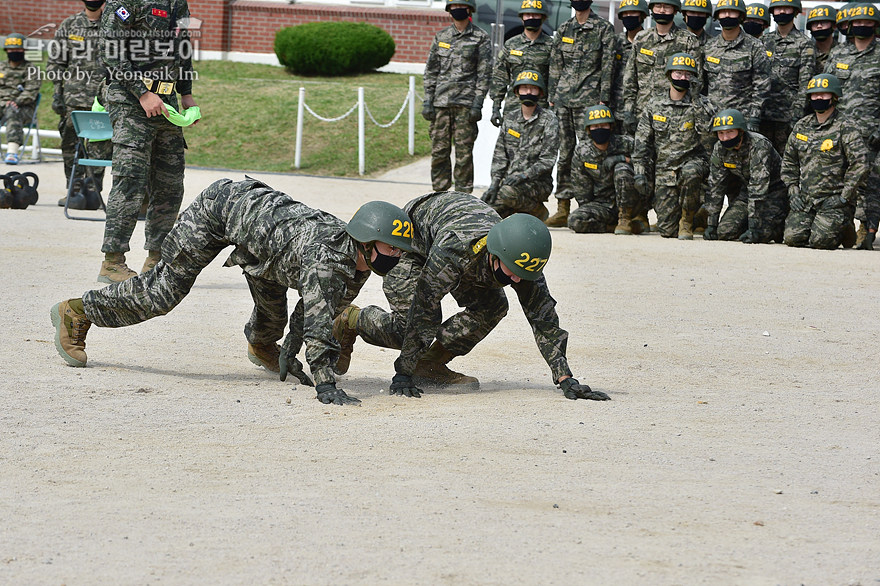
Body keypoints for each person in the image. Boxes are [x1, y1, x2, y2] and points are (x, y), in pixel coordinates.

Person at [50, 178, 414, 406]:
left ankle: (262, 346)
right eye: (392, 248)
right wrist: (325, 385)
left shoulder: (358, 260)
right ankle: (79, 310)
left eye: (399, 250)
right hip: (221, 209)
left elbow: (316, 305)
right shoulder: (328, 259)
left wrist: (289, 346)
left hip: (269, 246)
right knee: (163, 292)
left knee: (273, 314)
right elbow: (320, 325)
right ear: (366, 242)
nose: (396, 256)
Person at [332, 191, 610, 402]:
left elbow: (543, 317)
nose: (515, 280)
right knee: (409, 327)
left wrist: (565, 377)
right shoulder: (455, 249)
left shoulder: (523, 259)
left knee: (493, 305)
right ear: (495, 254)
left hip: (465, 250)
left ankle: (430, 365)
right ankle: (352, 319)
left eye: (520, 276)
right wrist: (403, 370)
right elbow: (424, 307)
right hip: (409, 247)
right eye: (510, 272)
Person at [98, 0, 199, 283]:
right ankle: (113, 261)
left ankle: (158, 257)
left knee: (169, 182)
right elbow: (111, 51)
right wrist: (142, 93)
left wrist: (186, 92)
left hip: (166, 101)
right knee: (130, 180)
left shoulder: (177, 3)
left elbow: (183, 45)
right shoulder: (124, 2)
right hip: (130, 100)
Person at [544, 0, 617, 228]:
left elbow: (607, 66)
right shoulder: (565, 28)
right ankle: (563, 206)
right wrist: (553, 95)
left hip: (590, 103)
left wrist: (603, 99)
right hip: (564, 101)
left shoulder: (603, 28)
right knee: (564, 154)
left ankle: (589, 204)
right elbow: (556, 64)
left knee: (589, 154)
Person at [781, 74, 869, 249]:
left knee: (821, 242)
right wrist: (793, 191)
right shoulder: (801, 126)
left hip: (834, 200)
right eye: (815, 94)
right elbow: (789, 162)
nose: (819, 98)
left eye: (824, 94)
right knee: (792, 238)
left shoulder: (846, 126)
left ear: (834, 97)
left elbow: (860, 164)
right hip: (806, 200)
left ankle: (845, 227)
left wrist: (844, 197)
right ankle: (825, 225)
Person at [633, 53, 715, 239]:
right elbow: (642, 144)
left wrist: (695, 100)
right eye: (679, 73)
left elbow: (709, 137)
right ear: (669, 74)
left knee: (691, 171)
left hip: (693, 166)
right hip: (665, 172)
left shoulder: (704, 103)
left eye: (688, 74)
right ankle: (696, 217)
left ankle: (687, 220)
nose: (683, 78)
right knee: (667, 231)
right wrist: (639, 173)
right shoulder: (655, 105)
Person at [823, 2, 880, 249]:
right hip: (841, 131)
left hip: (872, 132)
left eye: (868, 23)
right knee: (841, 179)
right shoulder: (838, 54)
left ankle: (866, 229)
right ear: (850, 26)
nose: (862, 27)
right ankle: (843, 226)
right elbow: (825, 91)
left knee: (870, 182)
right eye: (858, 23)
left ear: (875, 26)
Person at [47, 0, 113, 206]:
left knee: (100, 146)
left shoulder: (113, 25)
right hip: (73, 99)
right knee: (69, 144)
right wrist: (57, 94)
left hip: (103, 99)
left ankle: (93, 191)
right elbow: (56, 63)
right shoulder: (69, 24)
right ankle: (74, 190)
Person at [422, 0, 491, 194]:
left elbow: (484, 73)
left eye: (461, 6)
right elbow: (431, 71)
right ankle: (439, 196)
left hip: (466, 106)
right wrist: (428, 100)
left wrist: (477, 103)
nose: (457, 10)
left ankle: (462, 199)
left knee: (464, 155)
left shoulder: (480, 37)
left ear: (469, 9)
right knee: (439, 153)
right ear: (449, 11)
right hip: (441, 105)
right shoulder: (441, 37)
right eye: (453, 7)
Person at [482, 70, 559, 220]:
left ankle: (537, 210)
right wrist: (494, 185)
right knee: (487, 209)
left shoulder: (549, 120)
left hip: (537, 183)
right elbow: (500, 157)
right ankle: (518, 211)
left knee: (507, 193)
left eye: (533, 88)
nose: (528, 92)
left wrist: (524, 176)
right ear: (517, 92)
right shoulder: (510, 119)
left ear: (540, 93)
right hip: (509, 183)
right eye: (524, 88)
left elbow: (547, 160)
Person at [704, 108, 788, 242]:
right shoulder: (719, 148)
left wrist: (754, 226)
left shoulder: (759, 145)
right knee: (724, 232)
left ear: (741, 131)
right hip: (747, 192)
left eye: (730, 132)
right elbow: (716, 186)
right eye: (721, 133)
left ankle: (781, 222)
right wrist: (711, 224)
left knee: (762, 233)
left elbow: (758, 187)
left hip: (775, 192)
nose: (725, 138)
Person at [568, 104, 639, 234]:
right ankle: (611, 227)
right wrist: (587, 210)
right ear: (588, 129)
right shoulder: (582, 151)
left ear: (611, 127)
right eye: (595, 126)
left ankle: (625, 219)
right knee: (575, 220)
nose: (599, 129)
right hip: (602, 205)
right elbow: (579, 184)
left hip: (631, 203)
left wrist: (623, 159)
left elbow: (646, 163)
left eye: (603, 125)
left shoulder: (626, 143)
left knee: (621, 169)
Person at [703, 0, 772, 133]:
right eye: (723, 12)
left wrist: (754, 118)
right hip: (712, 119)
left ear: (741, 16)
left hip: (741, 120)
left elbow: (762, 87)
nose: (727, 15)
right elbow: (702, 85)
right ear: (717, 16)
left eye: (732, 11)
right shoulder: (709, 47)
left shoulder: (755, 47)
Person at [760, 0, 816, 156]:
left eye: (786, 8)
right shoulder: (764, 41)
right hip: (764, 114)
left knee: (787, 161)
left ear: (796, 11)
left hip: (788, 117)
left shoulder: (804, 44)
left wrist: (797, 116)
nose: (782, 12)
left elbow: (806, 83)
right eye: (778, 9)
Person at [489, 0, 552, 126]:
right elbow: (500, 77)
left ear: (543, 17)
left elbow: (556, 79)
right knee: (511, 143)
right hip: (513, 107)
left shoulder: (551, 46)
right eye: (527, 14)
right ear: (522, 18)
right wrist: (496, 107)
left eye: (535, 15)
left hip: (541, 109)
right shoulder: (511, 45)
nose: (531, 18)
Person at [0, 34, 41, 165]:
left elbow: (31, 92)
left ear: (24, 50)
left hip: (23, 108)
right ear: (6, 50)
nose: (14, 52)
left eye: (18, 50)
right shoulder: (1, 67)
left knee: (12, 111)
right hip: (1, 104)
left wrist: (15, 101)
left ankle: (12, 152)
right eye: (11, 50)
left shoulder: (32, 70)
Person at [609, 0, 649, 130]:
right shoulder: (615, 42)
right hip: (616, 107)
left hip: (641, 109)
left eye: (633, 12)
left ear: (642, 15)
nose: (628, 16)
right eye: (625, 13)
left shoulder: (649, 42)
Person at [806, 4, 838, 73]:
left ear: (834, 26)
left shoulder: (842, 52)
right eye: (815, 23)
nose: (819, 26)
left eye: (824, 22)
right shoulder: (805, 51)